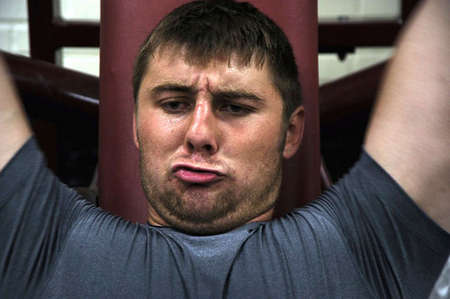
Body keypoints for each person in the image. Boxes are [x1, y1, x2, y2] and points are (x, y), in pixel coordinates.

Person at [0, 0, 448, 298]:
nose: (199, 133)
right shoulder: (44, 243)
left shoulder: (365, 246)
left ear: (291, 133)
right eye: (174, 104)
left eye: (234, 106)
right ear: (136, 126)